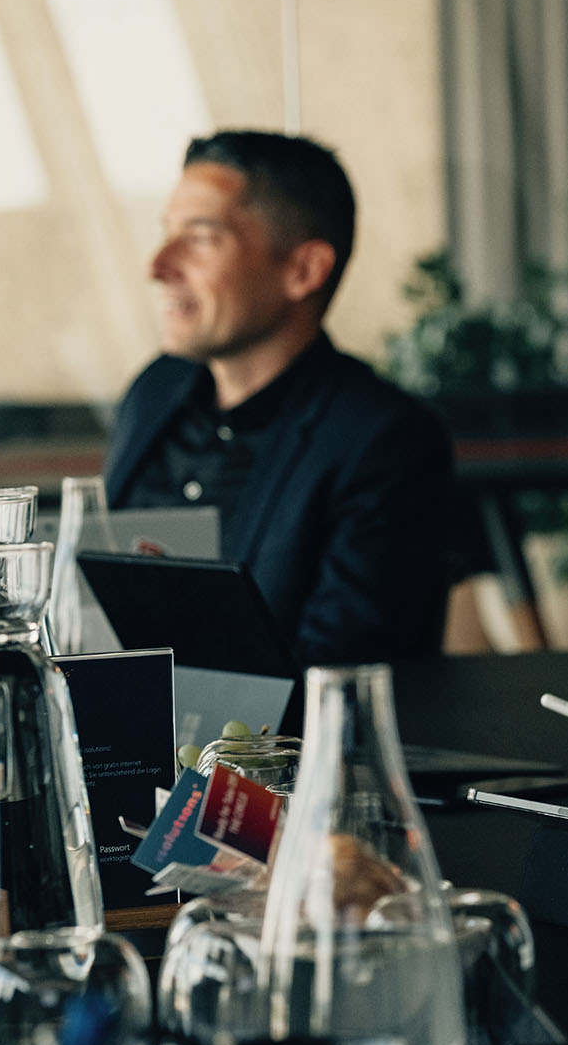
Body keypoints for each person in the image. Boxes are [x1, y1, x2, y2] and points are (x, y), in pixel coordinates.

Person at [106, 131, 455, 666]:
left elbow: (342, 676)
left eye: (199, 239)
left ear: (303, 271)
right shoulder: (154, 392)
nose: (158, 266)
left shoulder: (385, 442)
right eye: (166, 234)